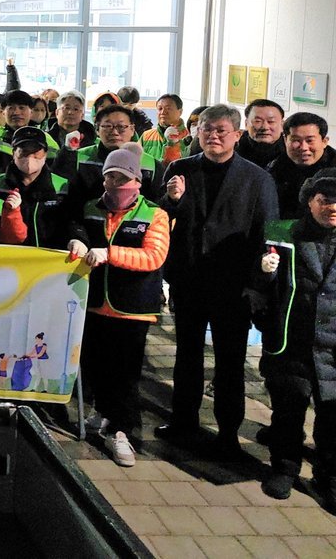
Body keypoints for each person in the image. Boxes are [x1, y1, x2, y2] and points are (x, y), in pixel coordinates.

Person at [157, 104, 279, 457]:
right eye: (207, 129)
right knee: (187, 355)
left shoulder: (257, 178)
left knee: (230, 362)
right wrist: (172, 199)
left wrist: (257, 284)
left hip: (233, 286)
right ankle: (183, 422)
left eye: (221, 130)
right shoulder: (180, 168)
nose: (213, 136)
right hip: (189, 280)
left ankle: (228, 434)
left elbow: (266, 233)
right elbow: (160, 216)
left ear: (237, 135)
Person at [67, 143, 170, 468]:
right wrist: (77, 239)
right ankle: (103, 412)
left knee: (125, 374)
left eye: (123, 178)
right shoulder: (92, 207)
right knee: (96, 365)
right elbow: (79, 230)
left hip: (132, 308)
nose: (116, 184)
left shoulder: (154, 214)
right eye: (110, 176)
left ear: (137, 180)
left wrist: (110, 254)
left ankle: (123, 431)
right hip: (95, 304)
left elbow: (154, 256)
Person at [255, 168, 336, 505]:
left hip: (332, 347)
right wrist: (264, 275)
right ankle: (284, 468)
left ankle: (328, 477)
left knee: (332, 417)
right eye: (325, 199)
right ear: (310, 201)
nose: (332, 207)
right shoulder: (283, 233)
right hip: (291, 340)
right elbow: (261, 284)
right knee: (288, 410)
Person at [55, 105, 165, 226]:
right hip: (86, 228)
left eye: (121, 127)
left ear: (132, 129)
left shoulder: (151, 165)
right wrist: (67, 152)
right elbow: (61, 188)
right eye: (107, 126)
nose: (114, 132)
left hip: (136, 230)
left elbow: (157, 204)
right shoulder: (79, 157)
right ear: (97, 129)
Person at [0, 126, 67, 248]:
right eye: (24, 152)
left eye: (36, 152)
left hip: (50, 256)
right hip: (8, 255)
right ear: (13, 153)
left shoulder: (62, 186)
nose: (30, 157)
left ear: (45, 154)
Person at [0, 89, 60, 175]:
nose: (16, 112)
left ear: (31, 112)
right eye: (11, 108)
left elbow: (55, 166)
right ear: (3, 112)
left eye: (21, 108)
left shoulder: (43, 137)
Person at [268, 112, 336, 219]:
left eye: (310, 140)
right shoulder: (273, 167)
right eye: (296, 140)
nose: (303, 147)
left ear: (324, 141)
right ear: (285, 140)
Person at [140, 93, 191, 164]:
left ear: (180, 112)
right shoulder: (146, 135)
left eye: (168, 108)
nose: (163, 112)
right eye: (160, 109)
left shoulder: (188, 136)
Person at [237, 99, 287, 168]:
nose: (265, 127)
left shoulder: (291, 153)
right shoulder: (232, 151)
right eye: (258, 121)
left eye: (271, 121)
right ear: (246, 124)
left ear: (282, 125)